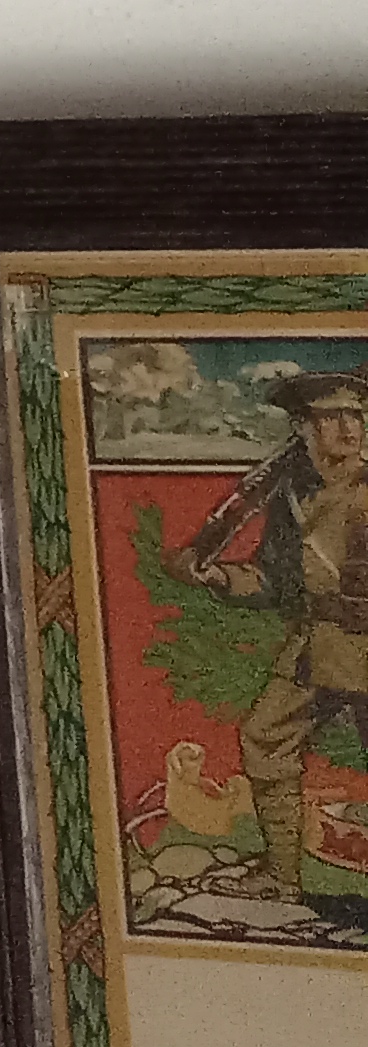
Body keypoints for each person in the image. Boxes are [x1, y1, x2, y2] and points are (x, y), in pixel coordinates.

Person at [182, 368, 368, 900]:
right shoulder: (292, 497)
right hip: (318, 648)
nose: (348, 427)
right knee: (266, 737)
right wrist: (217, 577)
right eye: (331, 416)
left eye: (355, 415)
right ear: (302, 426)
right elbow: (273, 579)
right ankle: (282, 880)